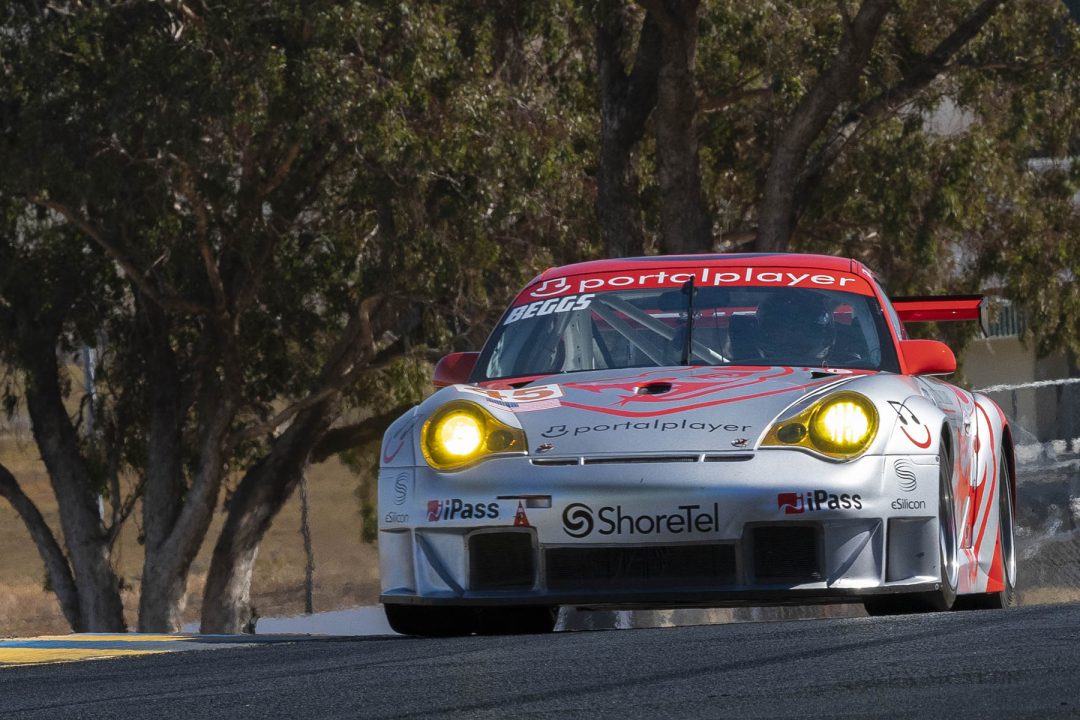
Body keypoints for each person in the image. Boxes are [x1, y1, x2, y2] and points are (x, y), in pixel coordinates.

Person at [754, 289, 835, 364]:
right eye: (780, 326)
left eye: (800, 327)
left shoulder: (841, 360)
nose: (790, 334)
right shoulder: (750, 352)